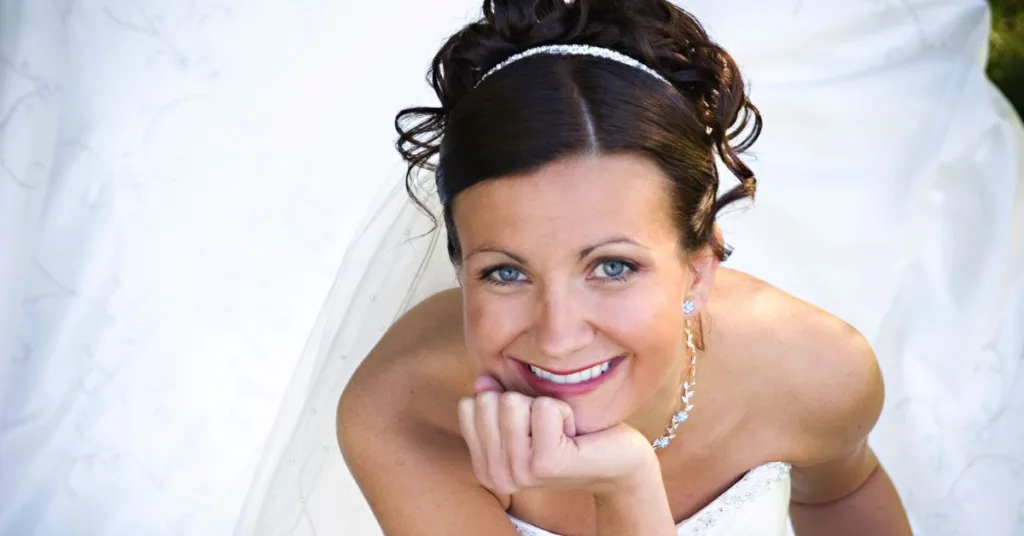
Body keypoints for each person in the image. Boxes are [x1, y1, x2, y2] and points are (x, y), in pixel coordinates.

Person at [335, 1, 914, 534]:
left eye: (612, 267)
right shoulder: (404, 412)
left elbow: (840, 494)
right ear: (461, 267)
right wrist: (626, 487)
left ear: (699, 267)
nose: (558, 338)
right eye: (507, 272)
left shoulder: (818, 369)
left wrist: (624, 481)